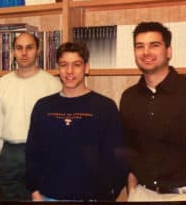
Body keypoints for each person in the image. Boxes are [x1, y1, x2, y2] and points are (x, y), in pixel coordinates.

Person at [26, 41, 127, 201]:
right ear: (58, 69)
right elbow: (32, 153)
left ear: (86, 68)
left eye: (77, 64)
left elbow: (117, 158)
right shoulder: (43, 106)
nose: (69, 71)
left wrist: (108, 195)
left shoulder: (105, 106)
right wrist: (34, 191)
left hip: (92, 198)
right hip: (48, 196)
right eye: (64, 64)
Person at [0, 32, 61, 200]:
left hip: (41, 154)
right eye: (19, 48)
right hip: (9, 156)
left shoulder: (52, 84)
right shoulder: (3, 83)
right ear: (13, 52)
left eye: (29, 47)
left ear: (38, 50)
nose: (24, 53)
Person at [120, 21, 186, 201]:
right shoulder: (129, 97)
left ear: (169, 51)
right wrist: (132, 189)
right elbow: (128, 148)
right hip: (142, 194)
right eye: (139, 46)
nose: (146, 52)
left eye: (154, 45)